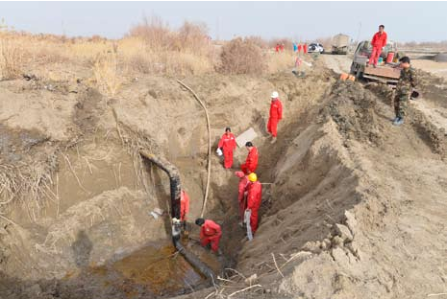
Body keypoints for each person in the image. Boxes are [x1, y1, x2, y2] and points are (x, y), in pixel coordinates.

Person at [393, 56, 418, 126]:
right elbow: (401, 79)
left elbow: (415, 82)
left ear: (406, 63)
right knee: (396, 104)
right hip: (399, 90)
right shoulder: (403, 70)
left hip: (405, 91)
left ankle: (401, 119)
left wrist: (409, 88)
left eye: (401, 63)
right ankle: (397, 117)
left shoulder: (412, 71)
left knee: (402, 105)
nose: (400, 64)